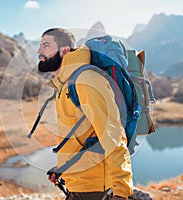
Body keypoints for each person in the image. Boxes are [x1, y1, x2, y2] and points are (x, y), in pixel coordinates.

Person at [37, 28, 133, 200]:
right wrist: (64, 168)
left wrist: (121, 191)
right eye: (40, 45)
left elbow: (113, 135)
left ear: (64, 50)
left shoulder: (87, 81)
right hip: (79, 184)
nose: (39, 51)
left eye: (46, 45)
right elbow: (82, 136)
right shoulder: (66, 83)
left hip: (93, 188)